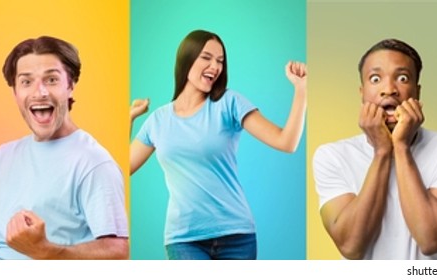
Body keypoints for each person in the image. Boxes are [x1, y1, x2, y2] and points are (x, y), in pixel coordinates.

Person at [128, 29, 308, 260]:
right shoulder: (158, 121)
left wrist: (301, 90)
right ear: (186, 59)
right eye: (206, 58)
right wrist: (129, 118)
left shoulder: (228, 103)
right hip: (184, 239)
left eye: (220, 61)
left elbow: (287, 142)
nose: (215, 67)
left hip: (237, 236)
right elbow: (121, 169)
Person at [0, 36, 129, 260]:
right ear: (15, 92)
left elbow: (118, 252)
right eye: (26, 82)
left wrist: (47, 251)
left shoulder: (93, 162)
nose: (40, 92)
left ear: (70, 86)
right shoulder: (0, 158)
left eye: (52, 80)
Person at [313, 38, 437, 260]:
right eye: (375, 79)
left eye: (402, 78)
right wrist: (381, 152)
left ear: (417, 92)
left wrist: (400, 146)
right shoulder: (331, 156)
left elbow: (431, 239)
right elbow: (351, 247)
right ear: (362, 92)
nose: (388, 90)